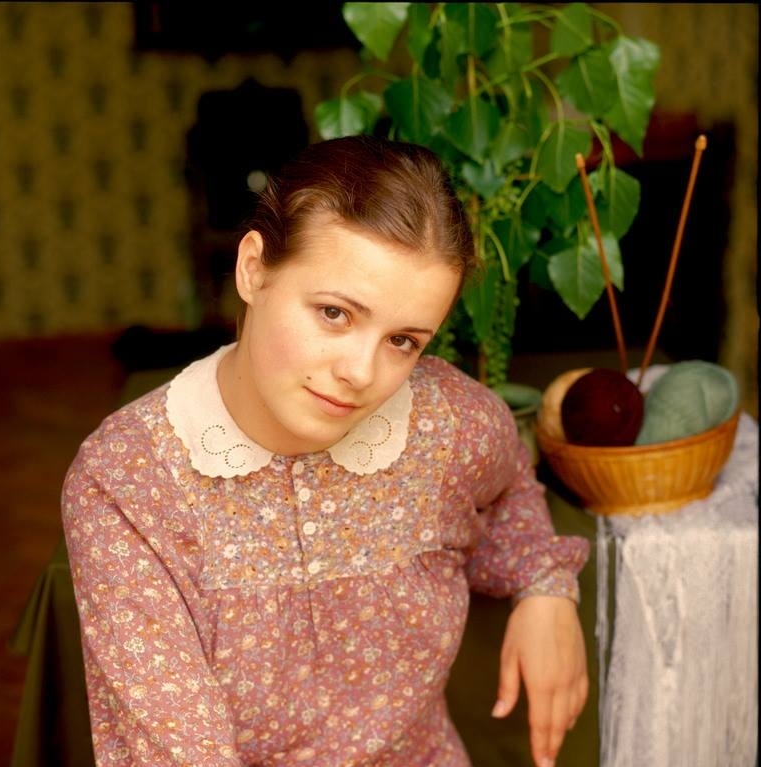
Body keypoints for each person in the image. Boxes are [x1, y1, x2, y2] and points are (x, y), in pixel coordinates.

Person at [62, 134, 590, 767]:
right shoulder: (129, 479)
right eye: (335, 313)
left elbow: (510, 487)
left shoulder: (450, 425)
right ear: (253, 269)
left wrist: (544, 586)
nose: (361, 373)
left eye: (402, 341)